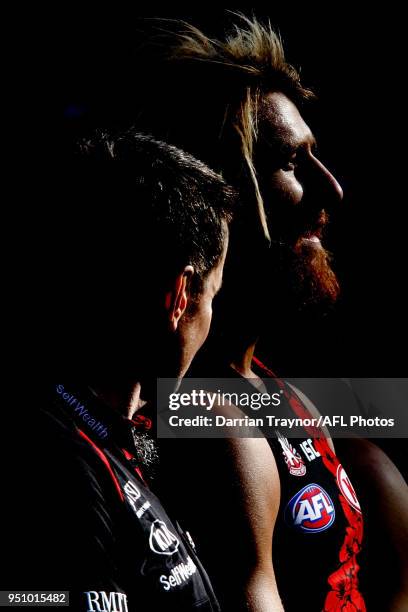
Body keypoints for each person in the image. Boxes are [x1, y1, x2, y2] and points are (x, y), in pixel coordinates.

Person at [134, 15, 408, 611]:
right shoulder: (204, 414)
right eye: (290, 162)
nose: (332, 189)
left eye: (319, 156)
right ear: (219, 194)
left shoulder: (270, 385)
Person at [3, 131, 234, 611]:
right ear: (181, 295)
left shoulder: (115, 434)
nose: (214, 317)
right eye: (214, 294)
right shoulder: (59, 467)